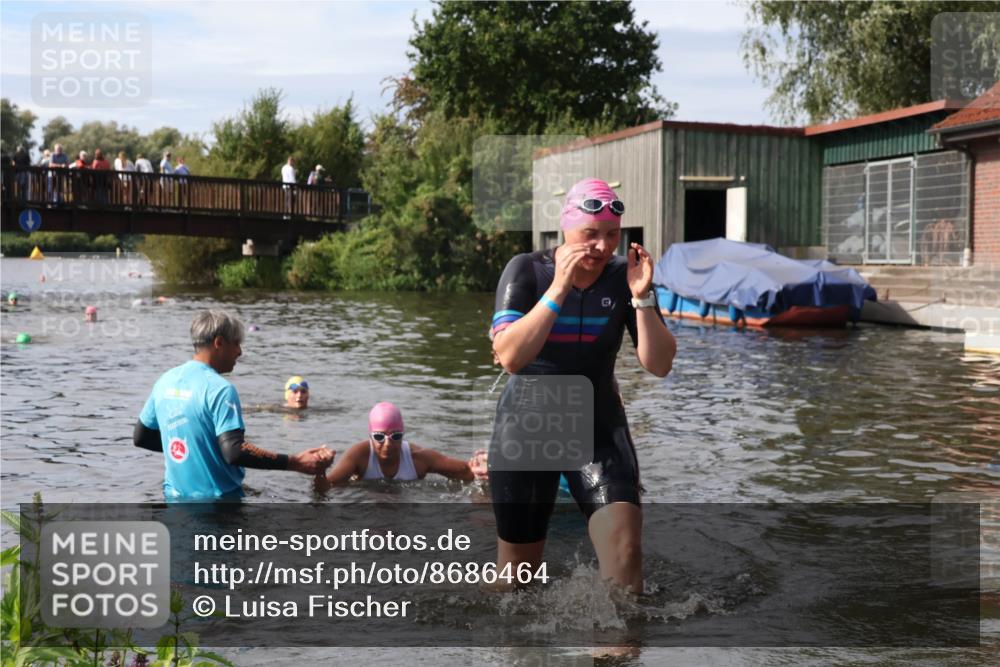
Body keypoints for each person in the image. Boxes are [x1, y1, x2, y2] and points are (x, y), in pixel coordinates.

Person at [487, 177, 676, 594]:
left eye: (612, 235)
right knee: (516, 584)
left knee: (625, 554)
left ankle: (616, 652)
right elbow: (510, 357)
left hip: (598, 427)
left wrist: (642, 297)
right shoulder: (527, 271)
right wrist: (558, 289)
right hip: (527, 430)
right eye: (590, 234)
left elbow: (659, 365)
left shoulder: (622, 279)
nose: (602, 246)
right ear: (565, 228)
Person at [133, 310, 333, 500]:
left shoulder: (165, 380)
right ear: (219, 342)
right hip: (219, 508)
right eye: (236, 343)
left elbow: (141, 437)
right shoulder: (220, 389)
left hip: (174, 500)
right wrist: (294, 462)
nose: (240, 352)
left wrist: (197, 449)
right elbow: (234, 451)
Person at [317, 402, 488, 486]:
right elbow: (326, 487)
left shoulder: (418, 458)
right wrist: (320, 470)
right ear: (370, 436)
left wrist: (484, 467)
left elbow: (466, 472)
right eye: (379, 437)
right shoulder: (358, 456)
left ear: (403, 435)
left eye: (396, 436)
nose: (387, 443)